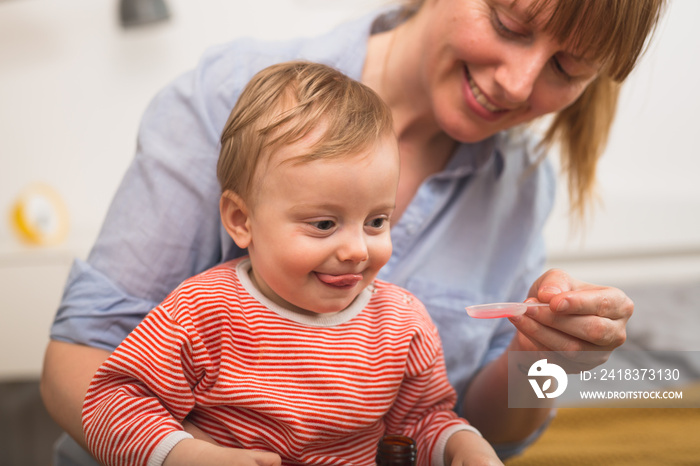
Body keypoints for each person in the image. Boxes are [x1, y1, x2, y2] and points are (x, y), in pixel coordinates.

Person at [41, 0, 667, 463]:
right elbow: (87, 367)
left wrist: (545, 360)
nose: (518, 83)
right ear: (240, 219)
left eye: (567, 67)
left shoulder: (520, 192)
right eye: (508, 24)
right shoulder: (230, 98)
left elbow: (455, 421)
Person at [80, 61, 500, 466]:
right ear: (241, 221)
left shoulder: (401, 324)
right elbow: (110, 403)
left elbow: (422, 421)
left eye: (376, 221)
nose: (357, 249)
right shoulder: (202, 311)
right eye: (323, 224)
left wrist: (462, 445)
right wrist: (186, 454)